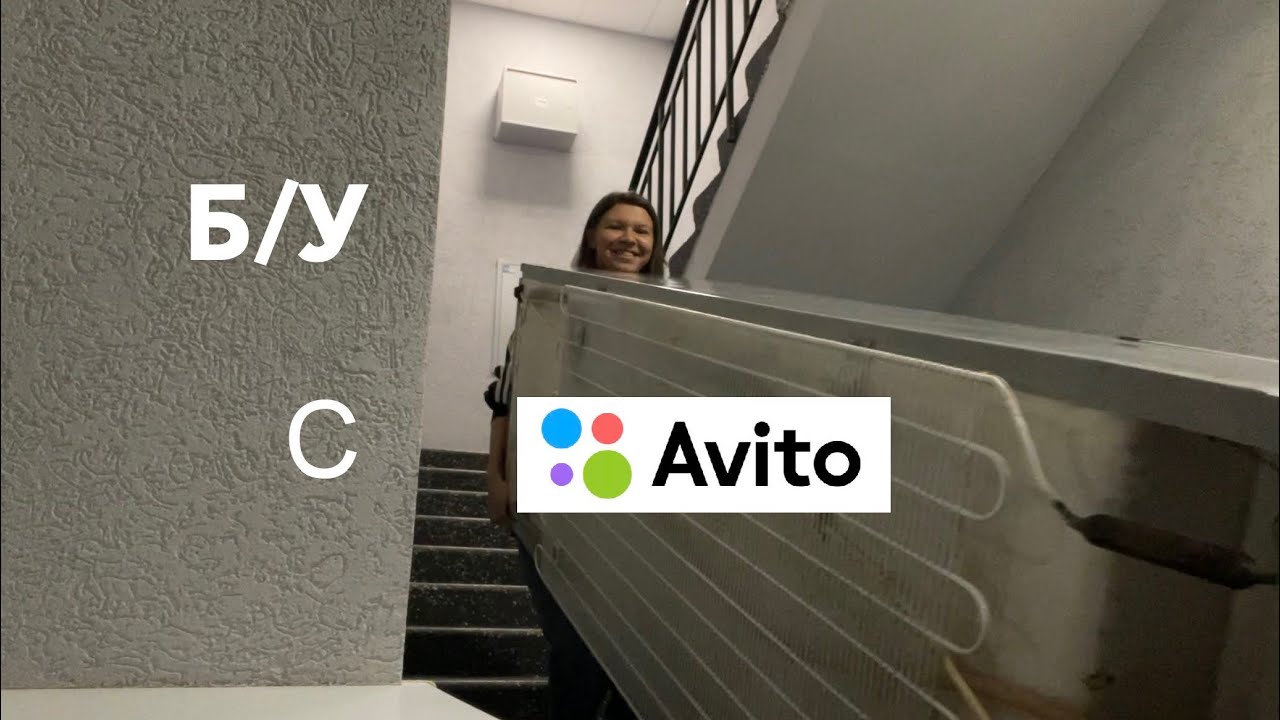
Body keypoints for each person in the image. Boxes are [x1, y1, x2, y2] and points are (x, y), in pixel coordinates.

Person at [483, 191, 665, 719]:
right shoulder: (549, 306)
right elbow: (506, 399)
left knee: (637, 658)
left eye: (642, 231)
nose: (629, 239)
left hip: (632, 508)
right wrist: (496, 478)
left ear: (654, 245)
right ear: (591, 235)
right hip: (552, 498)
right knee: (575, 649)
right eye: (615, 226)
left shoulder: (668, 320)